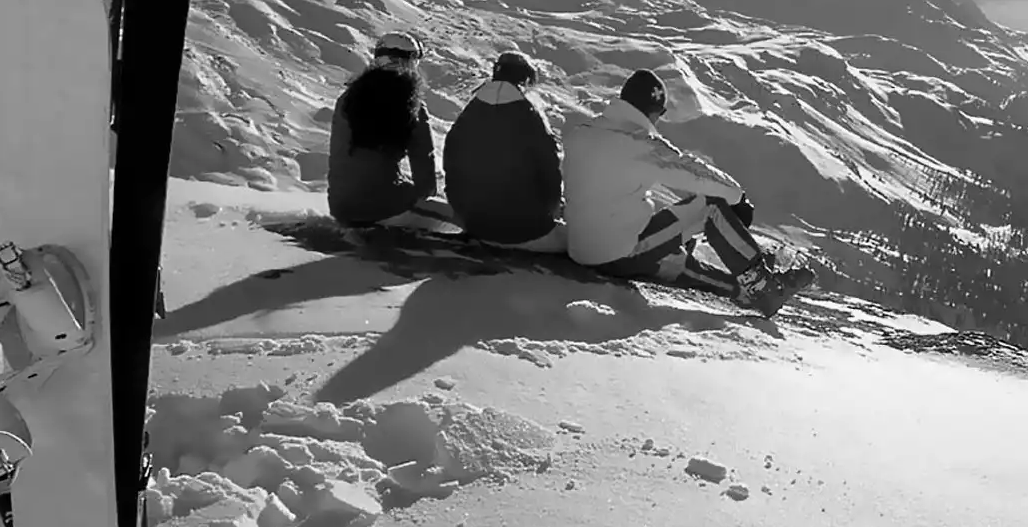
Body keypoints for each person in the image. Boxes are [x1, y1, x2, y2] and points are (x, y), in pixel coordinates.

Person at [562, 68, 815, 316]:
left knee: (672, 257)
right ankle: (763, 285)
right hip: (617, 254)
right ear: (654, 110)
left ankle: (743, 285)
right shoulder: (641, 144)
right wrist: (737, 197)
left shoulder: (582, 131)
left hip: (581, 248)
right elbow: (692, 172)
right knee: (710, 208)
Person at [441, 50, 568, 252]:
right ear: (525, 79)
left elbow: (451, 161)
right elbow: (550, 170)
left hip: (474, 224)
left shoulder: (470, 112)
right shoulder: (529, 116)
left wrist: (461, 209)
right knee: (583, 241)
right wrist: (552, 209)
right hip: (525, 230)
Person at [326, 32, 454, 230]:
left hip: (340, 205)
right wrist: (423, 194)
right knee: (455, 218)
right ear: (409, 62)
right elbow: (423, 160)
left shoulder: (347, 99)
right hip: (384, 206)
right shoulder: (410, 104)